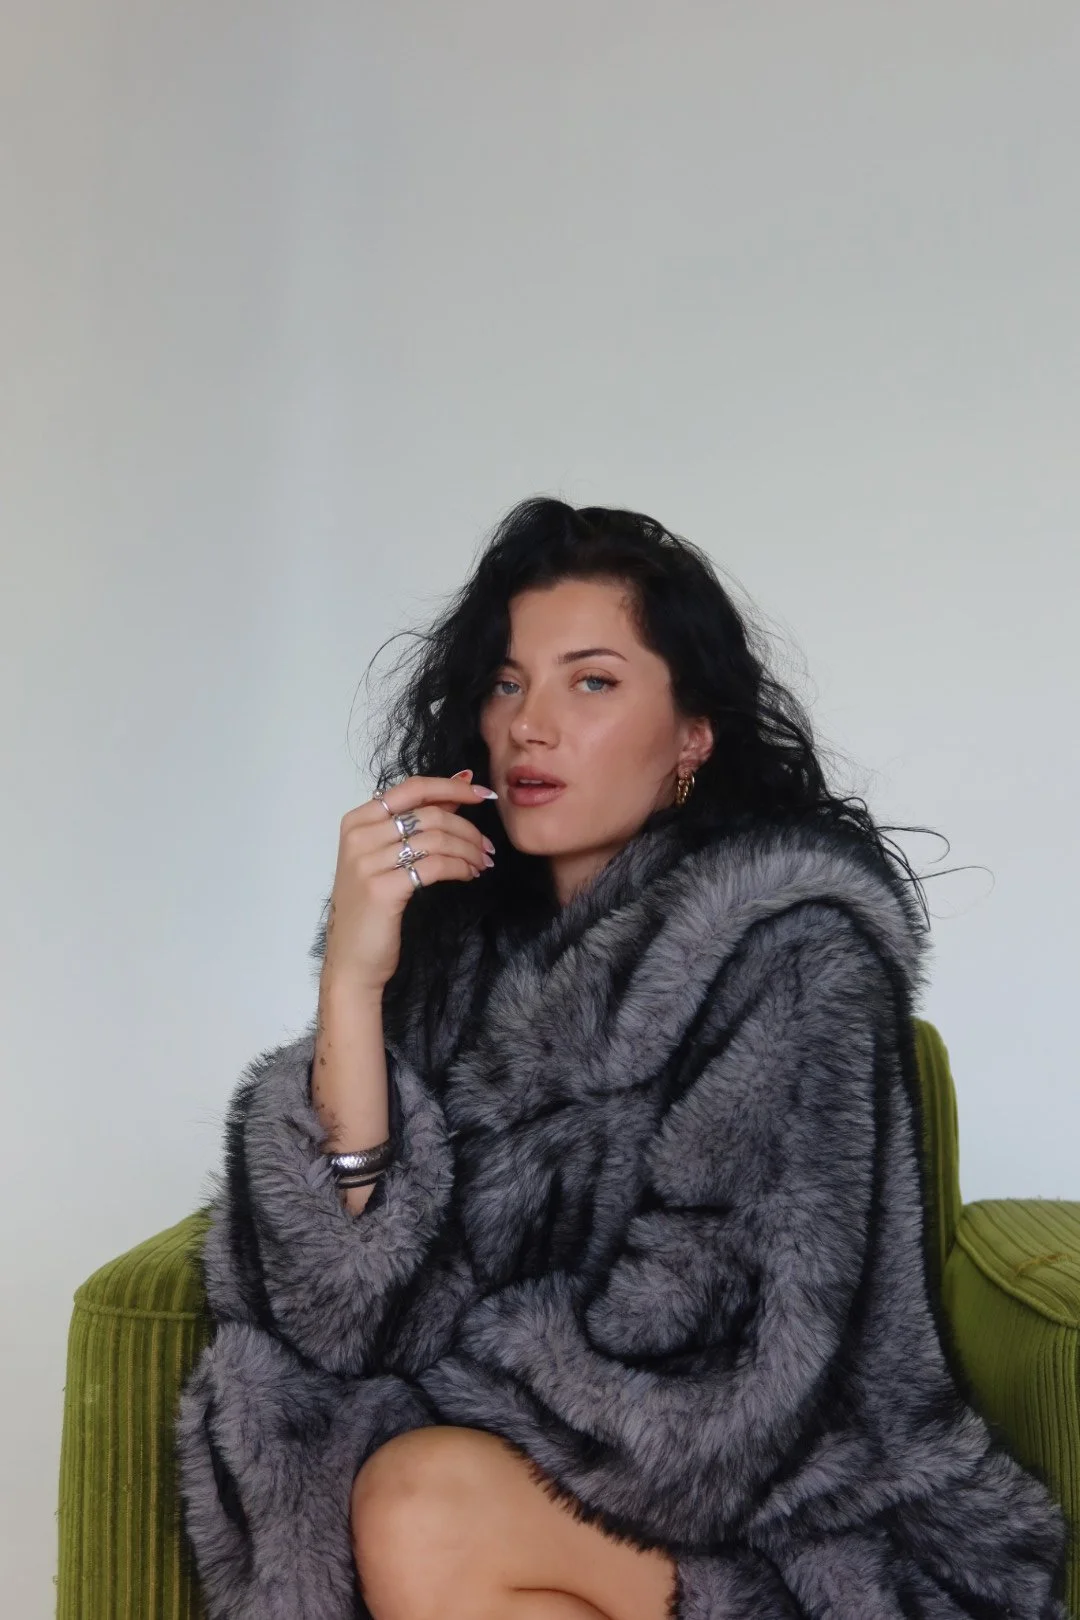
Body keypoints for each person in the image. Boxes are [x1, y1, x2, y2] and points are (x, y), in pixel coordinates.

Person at [176, 498, 1070, 1620]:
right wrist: (352, 981)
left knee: (419, 1504)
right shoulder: (455, 959)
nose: (529, 727)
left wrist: (434, 1357)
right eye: (508, 683)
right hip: (569, 1499)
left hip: (799, 1523)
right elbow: (335, 1310)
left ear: (692, 735)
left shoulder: (788, 955)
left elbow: (717, 1398)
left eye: (590, 683)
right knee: (408, 1509)